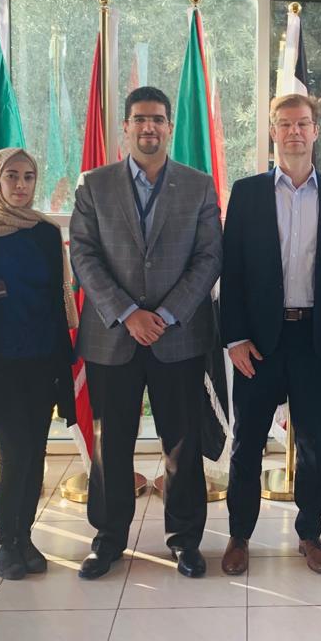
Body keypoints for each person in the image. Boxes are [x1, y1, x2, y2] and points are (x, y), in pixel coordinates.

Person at [70, 86, 222, 580]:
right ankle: (108, 539)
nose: (148, 127)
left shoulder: (198, 185)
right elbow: (83, 255)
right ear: (126, 127)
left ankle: (185, 540)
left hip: (179, 337)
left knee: (182, 445)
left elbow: (209, 257)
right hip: (112, 336)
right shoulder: (94, 184)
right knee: (111, 444)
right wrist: (128, 313)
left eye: (157, 119)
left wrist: (168, 314)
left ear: (169, 127)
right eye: (139, 119)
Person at [220, 93, 321, 576]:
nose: (294, 132)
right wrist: (234, 338)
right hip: (259, 340)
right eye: (285, 124)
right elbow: (231, 271)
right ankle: (239, 535)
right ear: (273, 132)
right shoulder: (247, 193)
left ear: (316, 131)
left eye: (303, 123)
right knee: (247, 443)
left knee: (313, 445)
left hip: (315, 340)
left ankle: (310, 533)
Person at [0, 148, 77, 580]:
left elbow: (56, 299)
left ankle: (25, 537)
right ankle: (5, 543)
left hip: (42, 361)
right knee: (14, 453)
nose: (21, 185)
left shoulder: (44, 232)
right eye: (11, 176)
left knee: (36, 453)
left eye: (28, 176)